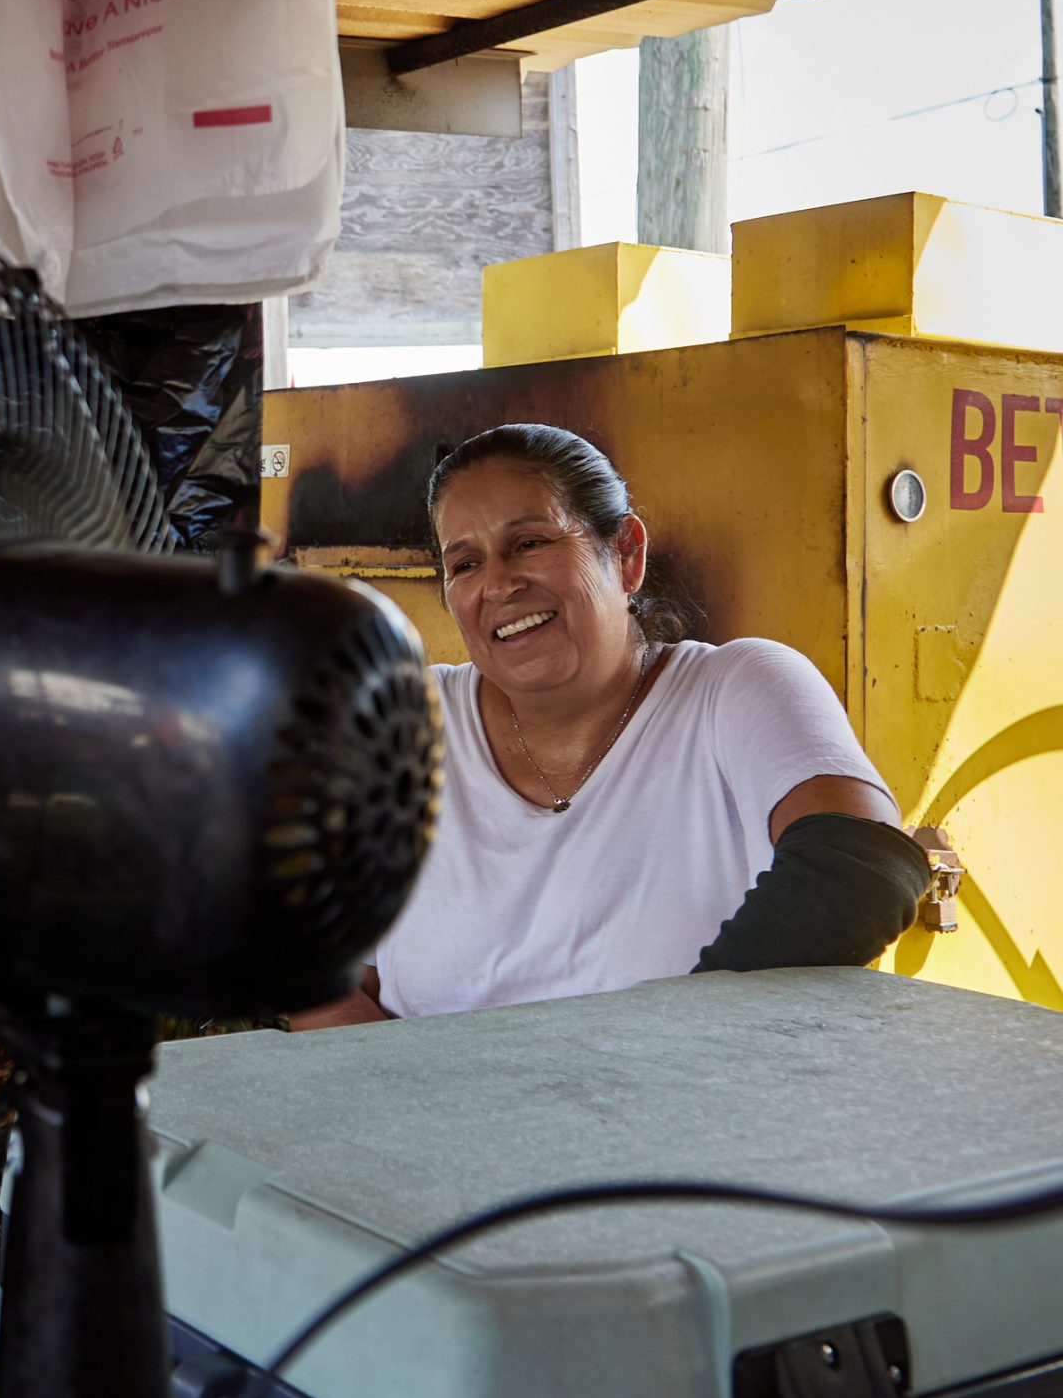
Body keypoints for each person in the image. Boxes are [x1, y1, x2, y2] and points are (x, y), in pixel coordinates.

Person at [293, 423, 925, 1028]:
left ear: (625, 555)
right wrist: (402, 1101)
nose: (499, 584)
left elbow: (863, 868)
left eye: (531, 543)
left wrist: (647, 1062)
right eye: (465, 564)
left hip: (675, 1123)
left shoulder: (734, 689)